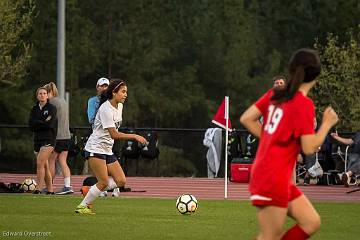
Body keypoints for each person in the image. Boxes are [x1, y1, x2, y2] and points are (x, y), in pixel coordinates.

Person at [240, 48, 339, 240]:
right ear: (316, 75)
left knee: (311, 222)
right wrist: (326, 124)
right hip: (272, 178)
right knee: (270, 237)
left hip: (275, 176)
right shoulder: (303, 104)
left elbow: (247, 118)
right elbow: (309, 147)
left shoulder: (275, 94)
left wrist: (269, 138)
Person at [75, 79, 148, 214]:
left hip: (107, 149)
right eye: (123, 92)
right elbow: (114, 134)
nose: (126, 94)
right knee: (103, 182)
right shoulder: (105, 109)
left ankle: (90, 189)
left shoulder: (119, 106)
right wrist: (134, 136)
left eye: (126, 92)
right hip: (95, 148)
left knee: (121, 181)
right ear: (114, 93)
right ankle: (82, 206)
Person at [44, 82, 74, 194]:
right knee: (62, 161)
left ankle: (49, 186)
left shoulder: (51, 103)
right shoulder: (62, 101)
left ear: (49, 92)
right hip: (66, 136)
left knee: (50, 160)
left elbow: (50, 119)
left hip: (57, 136)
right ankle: (67, 186)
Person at [28, 87, 57, 194]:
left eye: (44, 93)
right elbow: (31, 125)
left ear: (47, 95)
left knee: (39, 162)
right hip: (37, 139)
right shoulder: (34, 109)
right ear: (37, 96)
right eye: (40, 93)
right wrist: (42, 122)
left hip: (49, 139)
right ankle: (50, 190)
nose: (42, 95)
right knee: (44, 165)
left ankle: (38, 188)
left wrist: (37, 122)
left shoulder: (52, 108)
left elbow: (50, 124)